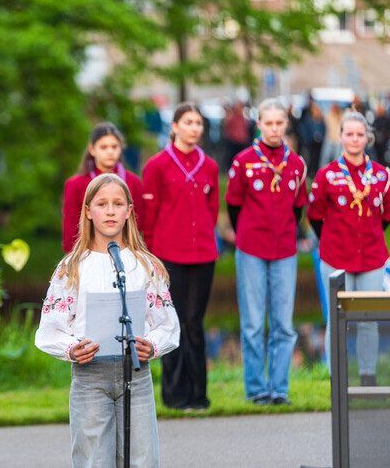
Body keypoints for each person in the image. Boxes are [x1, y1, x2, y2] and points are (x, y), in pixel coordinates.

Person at [36, 173, 180, 467]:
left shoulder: (144, 265)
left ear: (129, 211)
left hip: (136, 375)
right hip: (91, 376)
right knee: (93, 459)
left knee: (142, 458)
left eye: (118, 204)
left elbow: (168, 323)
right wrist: (71, 348)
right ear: (88, 211)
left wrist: (151, 345)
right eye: (102, 204)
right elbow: (50, 328)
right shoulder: (72, 268)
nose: (111, 211)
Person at [225, 98, 308, 406]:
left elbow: (298, 207)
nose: (274, 129)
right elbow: (233, 205)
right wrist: (246, 231)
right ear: (258, 125)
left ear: (286, 124)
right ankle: (257, 388)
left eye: (279, 123)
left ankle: (279, 388)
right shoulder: (243, 161)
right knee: (253, 323)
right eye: (268, 123)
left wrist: (285, 232)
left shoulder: (296, 164)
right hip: (251, 249)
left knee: (284, 325)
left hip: (284, 249)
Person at [308, 111, 390, 386]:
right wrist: (335, 240)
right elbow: (314, 215)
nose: (354, 139)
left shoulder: (382, 175)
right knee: (337, 319)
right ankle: (337, 377)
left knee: (368, 319)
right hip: (336, 258)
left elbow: (387, 214)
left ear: (367, 138)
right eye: (349, 134)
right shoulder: (327, 175)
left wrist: (367, 237)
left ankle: (368, 376)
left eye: (360, 134)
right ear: (341, 136)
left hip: (371, 258)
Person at [142, 102, 219, 411]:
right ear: (174, 127)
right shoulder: (158, 165)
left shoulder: (209, 165)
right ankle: (174, 395)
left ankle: (198, 393)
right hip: (167, 254)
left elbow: (212, 210)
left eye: (198, 123)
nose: (194, 128)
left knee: (194, 322)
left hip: (202, 254)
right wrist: (149, 255)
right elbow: (149, 214)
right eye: (188, 122)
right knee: (171, 322)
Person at [62, 122, 143, 253]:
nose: (110, 151)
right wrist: (73, 259)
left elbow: (139, 223)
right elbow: (70, 227)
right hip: (88, 253)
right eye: (104, 147)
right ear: (92, 149)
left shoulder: (133, 181)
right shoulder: (76, 184)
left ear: (121, 148)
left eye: (114, 146)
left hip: (126, 252)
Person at [320, 103, 343, 168]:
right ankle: (322, 172)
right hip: (329, 139)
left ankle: (336, 171)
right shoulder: (328, 115)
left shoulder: (341, 116)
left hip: (338, 141)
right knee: (325, 158)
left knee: (337, 158)